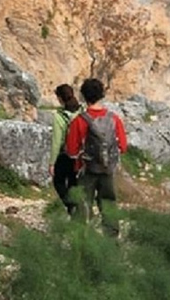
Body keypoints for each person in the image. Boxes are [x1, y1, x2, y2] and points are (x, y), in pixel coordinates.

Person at [65, 78, 127, 234]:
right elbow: (123, 147)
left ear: (84, 97)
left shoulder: (79, 121)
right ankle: (111, 241)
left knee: (82, 204)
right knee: (109, 204)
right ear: (102, 95)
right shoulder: (114, 119)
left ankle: (81, 239)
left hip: (86, 170)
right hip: (108, 170)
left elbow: (72, 151)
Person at [48, 84, 81, 215]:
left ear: (60, 98)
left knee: (58, 181)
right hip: (80, 154)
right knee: (73, 181)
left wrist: (52, 163)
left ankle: (70, 205)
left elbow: (57, 141)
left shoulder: (59, 117)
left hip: (66, 154)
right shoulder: (82, 112)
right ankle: (76, 209)